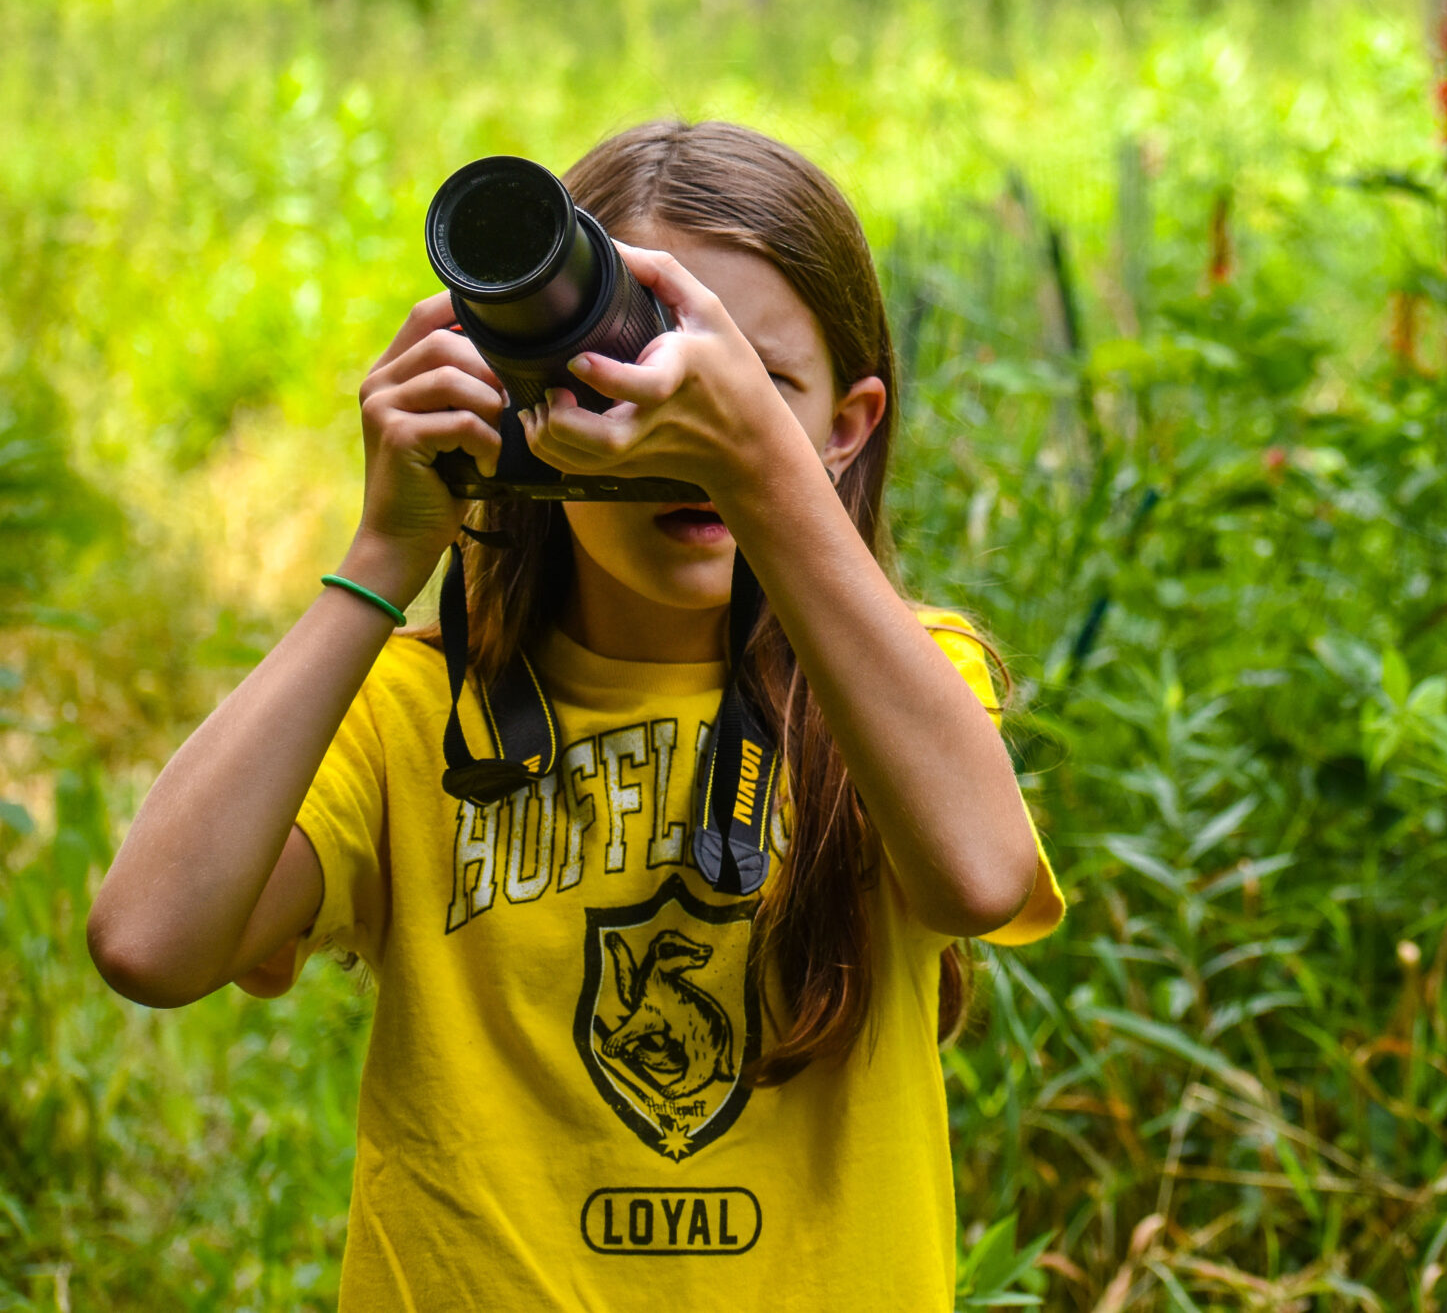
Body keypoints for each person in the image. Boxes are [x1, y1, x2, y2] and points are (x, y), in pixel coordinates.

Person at [87, 121, 1063, 1308]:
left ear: (847, 427)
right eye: (627, 379)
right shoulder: (414, 708)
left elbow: (980, 880)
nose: (687, 428)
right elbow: (149, 941)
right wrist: (383, 556)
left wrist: (763, 479)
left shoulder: (894, 685)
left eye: (752, 389)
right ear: (522, 398)